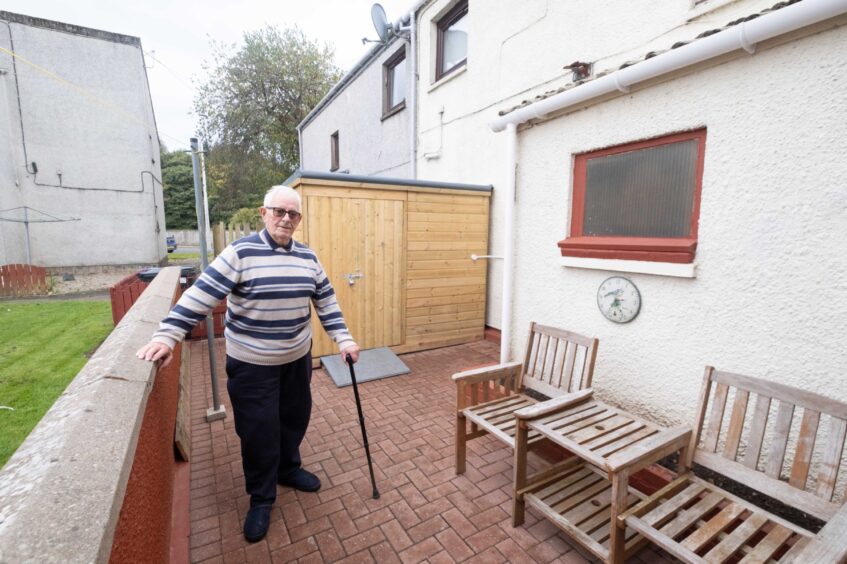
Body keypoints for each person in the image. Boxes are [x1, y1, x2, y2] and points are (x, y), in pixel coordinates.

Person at [136, 184, 360, 543]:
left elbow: (326, 301)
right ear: (263, 212)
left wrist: (344, 338)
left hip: (296, 358)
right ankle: (261, 497)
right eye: (279, 211)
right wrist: (168, 335)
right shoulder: (240, 253)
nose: (286, 219)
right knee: (258, 432)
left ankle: (289, 469)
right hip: (252, 364)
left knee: (294, 418)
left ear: (299, 219)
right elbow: (200, 295)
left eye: (293, 214)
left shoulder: (308, 257)